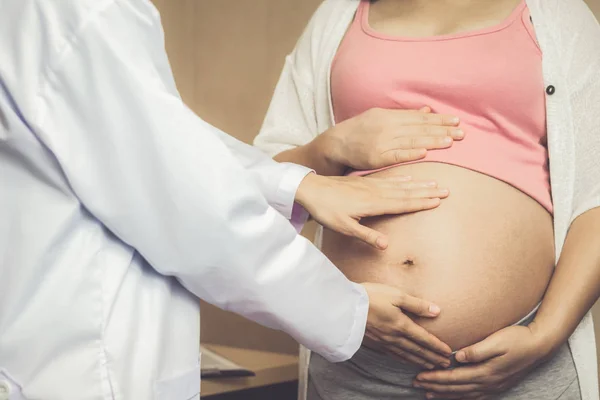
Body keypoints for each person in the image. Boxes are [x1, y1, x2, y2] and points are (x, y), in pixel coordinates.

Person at [0, 1, 471, 399]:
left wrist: (292, 184)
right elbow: (188, 200)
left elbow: (154, 139)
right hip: (77, 362)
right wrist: (346, 312)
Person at [254, 0, 600, 399]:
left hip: (518, 365)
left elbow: (595, 194)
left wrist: (545, 334)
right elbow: (260, 181)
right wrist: (329, 149)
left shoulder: (557, 14)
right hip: (356, 361)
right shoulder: (338, 15)